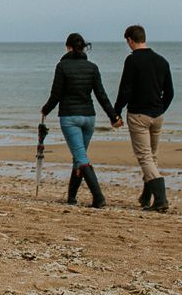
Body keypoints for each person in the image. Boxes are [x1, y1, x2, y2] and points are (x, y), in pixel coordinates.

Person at [40, 32, 121, 208]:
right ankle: (71, 197)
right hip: (89, 118)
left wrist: (46, 109)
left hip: (70, 117)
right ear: (83, 48)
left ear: (68, 47)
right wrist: (113, 116)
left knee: (80, 157)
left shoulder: (62, 66)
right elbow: (101, 95)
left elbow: (56, 94)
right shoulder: (92, 67)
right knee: (79, 157)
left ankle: (98, 197)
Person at [113, 24, 173, 212]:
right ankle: (146, 197)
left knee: (145, 157)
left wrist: (116, 112)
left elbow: (125, 89)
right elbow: (170, 92)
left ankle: (161, 199)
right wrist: (160, 108)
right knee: (152, 157)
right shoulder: (162, 61)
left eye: (127, 41)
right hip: (157, 115)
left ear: (130, 40)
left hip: (139, 114)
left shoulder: (132, 61)